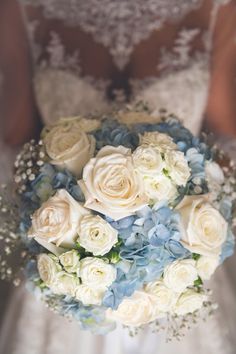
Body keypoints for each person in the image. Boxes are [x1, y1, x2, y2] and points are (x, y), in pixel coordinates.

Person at [0, 0, 236, 353]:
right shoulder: (21, 7)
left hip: (176, 280)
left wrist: (182, 232)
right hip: (66, 273)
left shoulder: (218, 7)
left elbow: (224, 144)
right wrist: (57, 216)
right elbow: (13, 145)